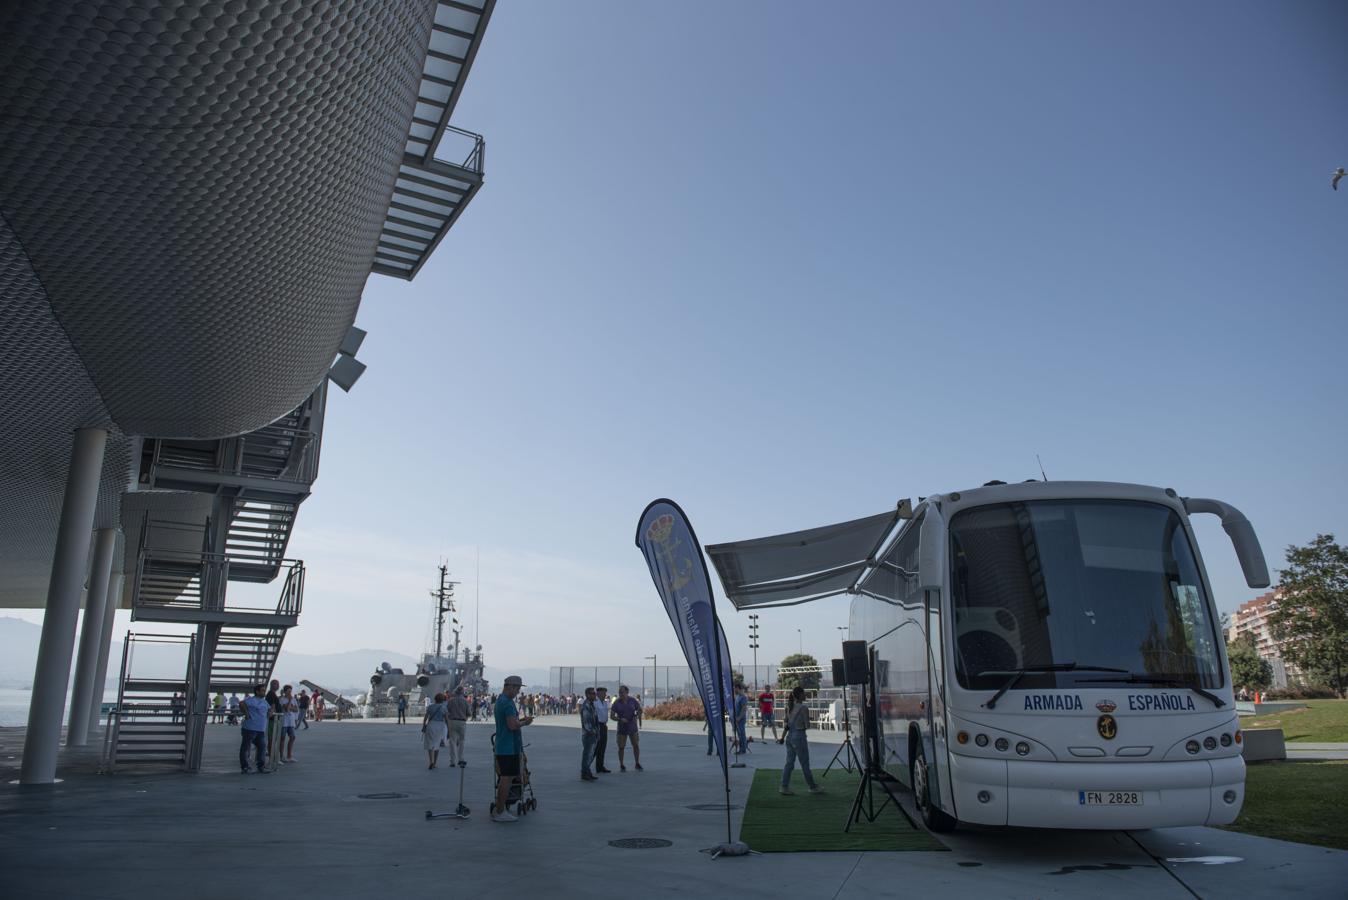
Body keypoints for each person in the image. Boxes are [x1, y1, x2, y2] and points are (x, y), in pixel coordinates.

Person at [493, 676, 533, 822]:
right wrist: (524, 723)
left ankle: (500, 808)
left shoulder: (500, 701)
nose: (518, 691)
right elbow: (511, 726)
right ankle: (500, 811)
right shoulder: (508, 703)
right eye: (517, 688)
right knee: (506, 779)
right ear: (509, 686)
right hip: (508, 748)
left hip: (503, 745)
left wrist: (520, 721)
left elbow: (509, 723)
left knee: (506, 778)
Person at [780, 685, 823, 795]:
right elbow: (807, 725)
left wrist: (782, 738)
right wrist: (808, 720)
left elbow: (787, 725)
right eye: (803, 693)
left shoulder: (789, 707)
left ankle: (784, 786)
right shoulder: (803, 708)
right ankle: (812, 786)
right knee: (805, 763)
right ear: (799, 695)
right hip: (799, 737)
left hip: (789, 738)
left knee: (789, 763)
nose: (805, 695)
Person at [238, 683, 270, 774]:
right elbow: (241, 703)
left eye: (264, 690)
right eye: (263, 690)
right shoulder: (251, 700)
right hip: (250, 728)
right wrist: (247, 713)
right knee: (246, 748)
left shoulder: (264, 701)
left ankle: (261, 766)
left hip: (260, 729)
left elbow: (269, 709)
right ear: (257, 691)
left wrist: (270, 712)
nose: (264, 692)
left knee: (262, 747)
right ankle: (245, 767)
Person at [610, 685, 643, 771]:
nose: (621, 694)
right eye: (619, 692)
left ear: (627, 692)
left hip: (633, 728)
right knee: (621, 747)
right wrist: (620, 719)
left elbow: (640, 709)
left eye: (622, 692)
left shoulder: (633, 701)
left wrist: (637, 715)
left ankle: (637, 763)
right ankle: (621, 764)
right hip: (622, 729)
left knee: (636, 745)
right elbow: (612, 716)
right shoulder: (616, 703)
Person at [422, 692, 449, 769]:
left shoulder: (430, 707)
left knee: (430, 743)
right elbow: (447, 719)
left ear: (435, 699)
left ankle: (431, 761)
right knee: (437, 744)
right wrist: (449, 729)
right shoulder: (444, 708)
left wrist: (424, 726)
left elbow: (426, 717)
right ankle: (435, 763)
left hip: (431, 725)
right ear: (442, 700)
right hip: (440, 726)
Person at [445, 686, 470, 766]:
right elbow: (469, 713)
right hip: (462, 722)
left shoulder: (451, 701)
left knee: (452, 742)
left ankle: (452, 761)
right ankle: (461, 759)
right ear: (462, 692)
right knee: (462, 741)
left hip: (452, 721)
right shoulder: (465, 701)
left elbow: (447, 711)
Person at [579, 687, 599, 781]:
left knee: (590, 754)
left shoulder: (591, 705)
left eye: (594, 693)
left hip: (593, 734)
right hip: (588, 735)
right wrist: (593, 731)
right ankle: (585, 773)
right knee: (587, 754)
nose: (594, 695)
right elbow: (587, 722)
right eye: (592, 693)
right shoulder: (586, 706)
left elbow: (595, 719)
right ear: (587, 695)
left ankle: (587, 771)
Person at [277, 685, 299, 763]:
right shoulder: (281, 699)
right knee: (282, 738)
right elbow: (286, 709)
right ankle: (281, 756)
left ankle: (289, 755)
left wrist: (290, 707)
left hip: (291, 721)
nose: (290, 693)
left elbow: (296, 709)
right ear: (285, 691)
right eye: (288, 691)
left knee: (292, 737)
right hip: (284, 721)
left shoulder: (294, 699)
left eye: (290, 691)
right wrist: (289, 702)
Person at [593, 687, 612, 773]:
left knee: (602, 747)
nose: (605, 694)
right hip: (597, 726)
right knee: (596, 748)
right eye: (604, 693)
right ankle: (587, 767)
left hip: (604, 726)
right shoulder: (595, 703)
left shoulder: (605, 703)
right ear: (599, 693)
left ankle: (600, 767)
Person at [734, 685, 750, 754]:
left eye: (735, 688)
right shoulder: (737, 697)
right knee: (739, 734)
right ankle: (742, 747)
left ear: (738, 688)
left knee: (742, 734)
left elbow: (744, 709)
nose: (734, 690)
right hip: (736, 718)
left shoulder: (743, 697)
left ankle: (743, 749)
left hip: (740, 719)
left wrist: (739, 717)